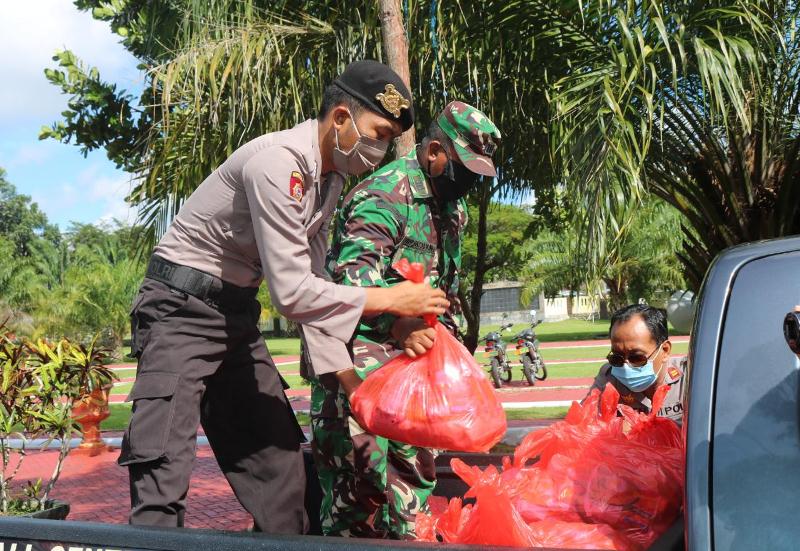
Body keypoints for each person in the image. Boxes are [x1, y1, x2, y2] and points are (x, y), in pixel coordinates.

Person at [119, 60, 451, 533]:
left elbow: (315, 295)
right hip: (178, 309)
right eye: (377, 132)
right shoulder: (279, 164)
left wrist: (353, 386)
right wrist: (392, 300)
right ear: (340, 118)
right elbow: (292, 294)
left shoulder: (328, 181)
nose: (379, 150)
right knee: (162, 478)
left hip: (235, 317)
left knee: (284, 479)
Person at [308, 101, 501, 539]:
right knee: (359, 499)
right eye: (464, 169)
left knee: (413, 492)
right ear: (434, 151)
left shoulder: (452, 211)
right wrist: (398, 324)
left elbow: (440, 293)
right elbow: (344, 291)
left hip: (414, 383)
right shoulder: (382, 196)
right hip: (359, 377)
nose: (469, 182)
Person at [586, 304, 685, 421]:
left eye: (637, 357)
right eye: (617, 358)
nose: (625, 367)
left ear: (665, 351)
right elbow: (582, 425)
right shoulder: (608, 379)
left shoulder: (689, 380)